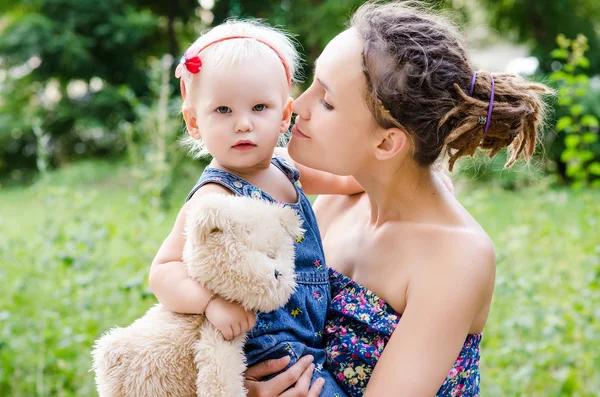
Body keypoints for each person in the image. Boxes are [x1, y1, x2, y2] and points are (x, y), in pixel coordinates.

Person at [244, 2, 553, 396]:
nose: (296, 107)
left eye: (327, 101)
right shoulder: (343, 195)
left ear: (387, 142)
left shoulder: (454, 257)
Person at [148, 19, 365, 396]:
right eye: (223, 110)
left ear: (284, 114)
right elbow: (163, 271)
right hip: (268, 352)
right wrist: (211, 303)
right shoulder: (216, 196)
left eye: (259, 107)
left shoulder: (285, 166)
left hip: (313, 341)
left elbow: (350, 181)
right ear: (194, 122)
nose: (243, 124)